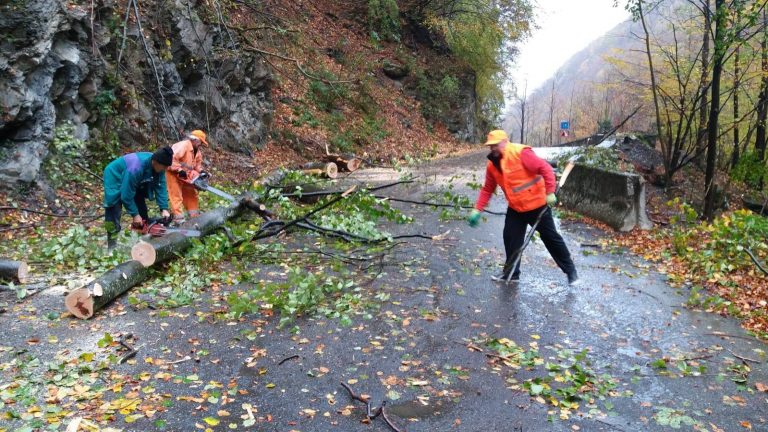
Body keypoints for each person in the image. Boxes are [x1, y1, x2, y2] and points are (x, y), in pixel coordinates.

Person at [467, 130, 579, 286]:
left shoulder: (521, 153)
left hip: (537, 205)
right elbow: (487, 189)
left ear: (505, 142)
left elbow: (545, 169)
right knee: (510, 237)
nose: (492, 149)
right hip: (516, 208)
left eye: (495, 145)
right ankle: (511, 274)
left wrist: (550, 192)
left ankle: (571, 271)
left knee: (551, 238)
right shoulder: (492, 165)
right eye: (490, 146)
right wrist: (477, 209)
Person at [103, 147, 173, 250]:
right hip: (115, 177)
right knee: (114, 209)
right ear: (155, 162)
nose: (165, 169)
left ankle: (139, 240)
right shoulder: (136, 167)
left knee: (142, 212)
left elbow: (160, 186)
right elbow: (126, 195)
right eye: (164, 167)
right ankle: (111, 248)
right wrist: (135, 214)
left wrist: (164, 208)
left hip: (136, 181)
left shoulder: (160, 167)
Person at [166, 130, 209, 224]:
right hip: (173, 174)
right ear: (195, 140)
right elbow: (170, 158)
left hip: (186, 176)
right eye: (200, 142)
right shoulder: (183, 146)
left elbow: (197, 165)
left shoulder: (196, 152)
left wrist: (201, 171)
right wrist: (179, 170)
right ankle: (178, 219)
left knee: (192, 194)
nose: (200, 144)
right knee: (176, 196)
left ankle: (194, 216)